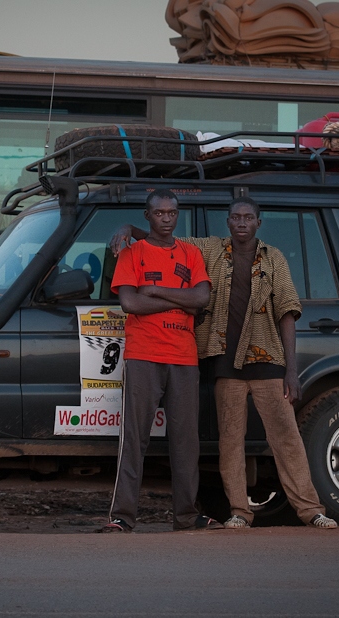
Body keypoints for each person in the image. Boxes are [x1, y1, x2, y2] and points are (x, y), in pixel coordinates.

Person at [111, 196, 338, 530]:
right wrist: (129, 228)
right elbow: (154, 252)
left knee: (283, 438)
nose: (242, 223)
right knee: (228, 443)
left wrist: (292, 369)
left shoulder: (271, 258)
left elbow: (282, 310)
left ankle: (310, 511)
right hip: (222, 363)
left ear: (259, 222)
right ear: (228, 221)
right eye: (235, 217)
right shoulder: (210, 249)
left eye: (248, 217)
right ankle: (238, 513)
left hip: (264, 359)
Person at [101, 188, 222, 533]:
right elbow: (130, 304)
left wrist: (154, 291)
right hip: (143, 355)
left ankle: (185, 516)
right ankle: (123, 516)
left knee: (186, 442)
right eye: (159, 213)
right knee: (134, 439)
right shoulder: (132, 252)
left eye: (172, 213)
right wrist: (180, 302)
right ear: (147, 216)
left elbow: (201, 298)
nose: (166, 219)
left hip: (184, 357)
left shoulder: (191, 253)